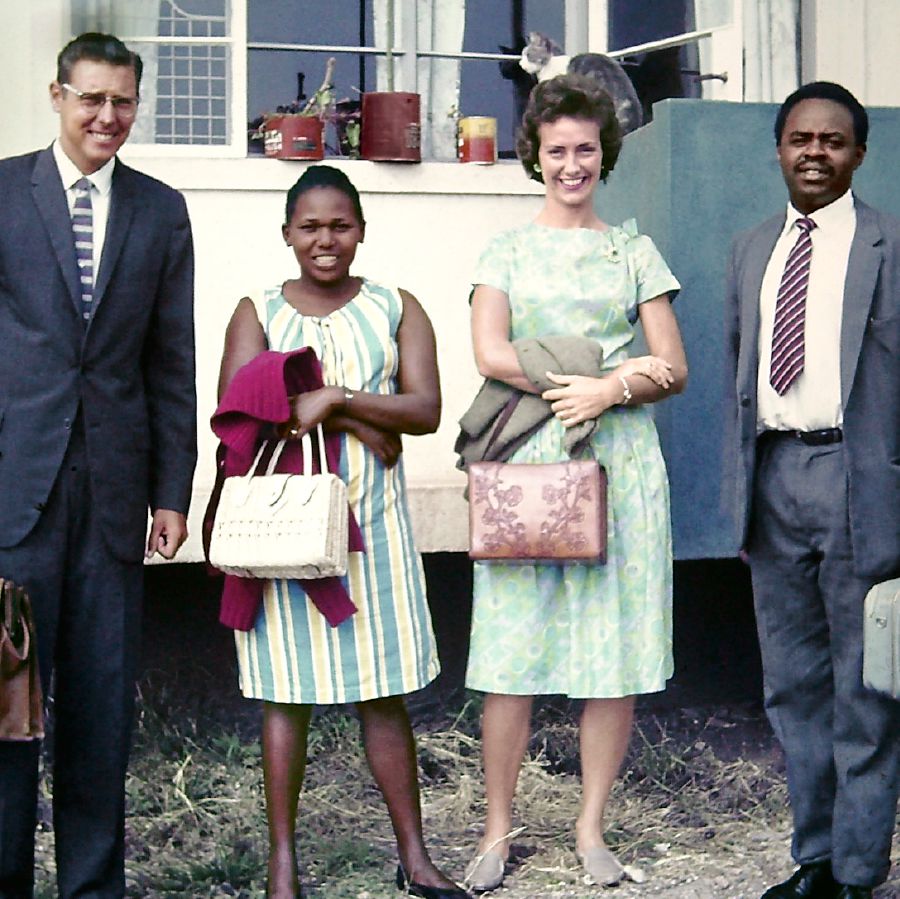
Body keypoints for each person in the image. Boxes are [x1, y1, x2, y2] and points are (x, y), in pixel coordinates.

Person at [215, 165, 470, 899]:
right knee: (284, 696)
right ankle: (283, 866)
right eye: (310, 226)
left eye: (340, 225)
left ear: (361, 229)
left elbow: (423, 410)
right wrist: (360, 415)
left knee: (382, 693)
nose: (325, 240)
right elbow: (248, 408)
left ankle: (416, 858)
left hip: (374, 525)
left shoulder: (396, 305)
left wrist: (333, 395)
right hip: (284, 528)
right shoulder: (257, 309)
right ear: (287, 234)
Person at [461, 74, 687, 892]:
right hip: (529, 461)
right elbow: (490, 350)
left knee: (611, 654)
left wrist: (613, 390)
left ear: (605, 153)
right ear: (535, 154)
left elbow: (674, 364)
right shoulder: (507, 250)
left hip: (617, 463)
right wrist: (583, 378)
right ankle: (495, 828)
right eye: (556, 150)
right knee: (511, 652)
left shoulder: (633, 251)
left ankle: (591, 829)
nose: (571, 164)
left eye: (584, 149)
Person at [0, 32, 196, 899]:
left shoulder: (160, 210)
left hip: (115, 496)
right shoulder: (2, 192)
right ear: (57, 95)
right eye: (92, 99)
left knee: (99, 711)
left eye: (122, 102)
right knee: (6, 710)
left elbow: (171, 363)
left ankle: (91, 887)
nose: (107, 117)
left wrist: (170, 491)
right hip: (14, 494)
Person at [723, 81, 900, 899]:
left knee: (865, 686)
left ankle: (860, 872)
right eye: (801, 138)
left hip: (858, 483)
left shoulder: (889, 245)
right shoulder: (753, 248)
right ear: (779, 149)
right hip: (774, 478)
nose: (815, 153)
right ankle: (816, 857)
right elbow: (741, 373)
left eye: (833, 140)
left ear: (859, 154)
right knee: (791, 684)